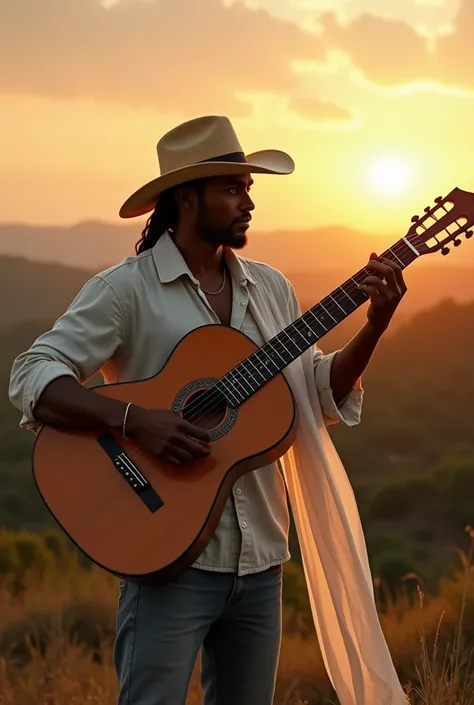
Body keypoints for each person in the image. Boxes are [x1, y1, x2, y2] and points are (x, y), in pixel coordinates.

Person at [8, 115, 409, 705]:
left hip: (261, 563)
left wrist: (375, 327)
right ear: (187, 198)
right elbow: (32, 375)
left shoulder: (270, 288)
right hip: (165, 562)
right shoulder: (125, 290)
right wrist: (134, 419)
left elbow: (316, 394)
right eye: (233, 188)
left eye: (249, 188)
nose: (249, 201)